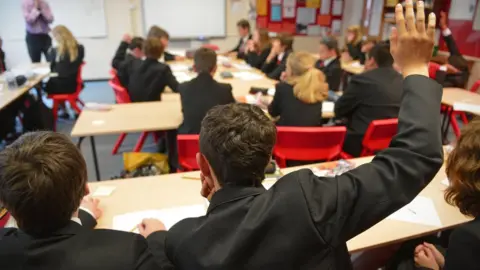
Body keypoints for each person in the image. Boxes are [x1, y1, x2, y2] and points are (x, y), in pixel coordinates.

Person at [142, 3, 444, 269]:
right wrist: (416, 66)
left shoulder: (184, 240)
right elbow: (416, 158)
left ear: (202, 166)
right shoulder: (310, 203)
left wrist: (156, 237)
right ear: (269, 158)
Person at [0, 131, 160, 270]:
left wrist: (86, 214)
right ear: (86, 190)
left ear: (5, 204)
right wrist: (157, 238)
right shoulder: (128, 252)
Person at [334, 42, 403, 157]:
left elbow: (339, 110)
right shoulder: (403, 80)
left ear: (371, 60)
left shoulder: (362, 80)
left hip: (360, 143)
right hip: (392, 143)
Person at [178, 47, 236, 134]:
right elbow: (232, 115)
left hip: (190, 143)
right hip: (217, 143)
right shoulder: (225, 89)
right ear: (215, 68)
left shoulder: (183, 88)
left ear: (194, 68)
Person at [268, 51, 328, 127]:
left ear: (290, 71)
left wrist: (283, 83)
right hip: (312, 137)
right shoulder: (317, 88)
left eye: (286, 67)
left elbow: (273, 113)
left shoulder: (283, 88)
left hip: (285, 136)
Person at [127, 38, 179, 102]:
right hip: (152, 105)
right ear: (161, 51)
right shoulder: (163, 69)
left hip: (133, 105)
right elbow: (176, 88)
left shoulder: (134, 64)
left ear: (144, 51)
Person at [44, 25, 84, 95]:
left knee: (41, 86)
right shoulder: (80, 48)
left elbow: (58, 71)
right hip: (74, 83)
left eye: (54, 37)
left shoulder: (58, 52)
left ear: (57, 37)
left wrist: (51, 51)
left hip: (62, 86)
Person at [435, 11, 469, 88]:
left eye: (448, 62)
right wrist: (444, 27)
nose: (446, 62)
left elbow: (436, 86)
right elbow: (452, 45)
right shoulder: (460, 64)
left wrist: (443, 68)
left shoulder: (453, 80)